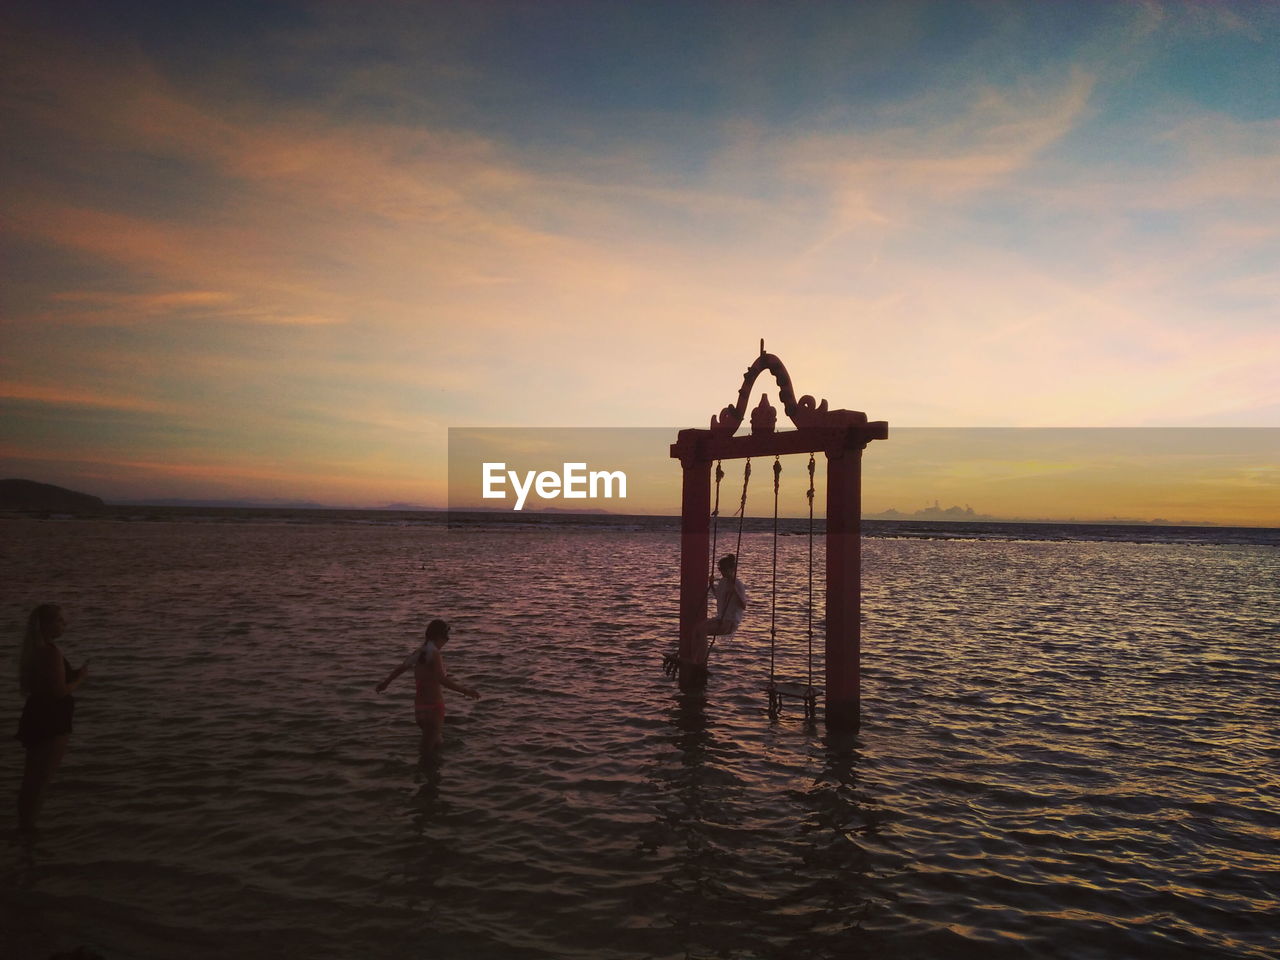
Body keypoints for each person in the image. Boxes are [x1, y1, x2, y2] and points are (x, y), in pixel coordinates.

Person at [15, 603, 87, 833]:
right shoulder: (51, 651)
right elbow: (60, 691)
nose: (64, 625)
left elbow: (43, 684)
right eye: (60, 621)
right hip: (52, 718)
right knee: (42, 778)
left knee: (31, 778)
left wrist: (69, 675)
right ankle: (29, 830)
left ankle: (24, 829)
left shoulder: (33, 650)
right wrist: (80, 678)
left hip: (36, 713)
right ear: (46, 625)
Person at [376, 619, 479, 754]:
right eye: (446, 637)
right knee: (426, 754)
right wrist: (466, 691)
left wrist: (386, 683)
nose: (447, 641)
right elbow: (441, 679)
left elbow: (401, 668)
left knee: (436, 745)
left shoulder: (420, 652)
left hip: (419, 709)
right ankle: (420, 773)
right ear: (438, 636)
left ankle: (430, 771)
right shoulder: (434, 654)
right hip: (434, 708)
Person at [683, 554, 748, 681]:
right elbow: (719, 598)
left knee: (703, 630)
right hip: (720, 618)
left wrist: (735, 590)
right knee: (696, 629)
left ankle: (699, 661)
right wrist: (711, 585)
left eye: (724, 570)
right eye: (721, 570)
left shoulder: (738, 583)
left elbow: (744, 605)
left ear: (731, 569)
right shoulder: (723, 582)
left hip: (730, 622)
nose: (722, 573)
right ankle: (694, 659)